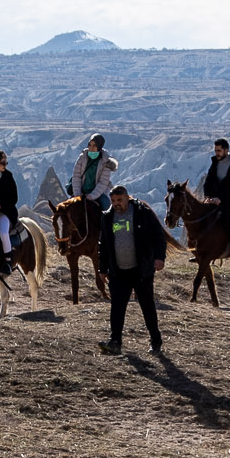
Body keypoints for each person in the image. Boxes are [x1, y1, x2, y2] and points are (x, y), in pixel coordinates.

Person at [98, 183, 166, 354]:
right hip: (118, 271)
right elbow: (104, 245)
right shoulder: (107, 217)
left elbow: (159, 235)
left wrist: (159, 257)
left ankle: (155, 341)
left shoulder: (143, 213)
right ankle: (115, 342)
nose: (116, 204)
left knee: (147, 305)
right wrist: (103, 268)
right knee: (117, 307)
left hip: (141, 270)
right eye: (113, 201)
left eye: (119, 200)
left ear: (128, 198)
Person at [202, 138, 230, 252]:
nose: (216, 153)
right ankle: (200, 248)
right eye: (215, 150)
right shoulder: (215, 162)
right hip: (213, 199)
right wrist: (208, 196)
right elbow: (208, 181)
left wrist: (220, 198)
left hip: (229, 200)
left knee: (227, 218)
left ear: (226, 150)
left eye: (219, 150)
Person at [75, 134, 117, 211]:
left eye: (94, 146)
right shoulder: (82, 158)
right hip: (82, 191)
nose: (91, 148)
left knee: (105, 207)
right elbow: (76, 176)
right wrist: (77, 194)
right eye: (90, 145)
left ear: (99, 147)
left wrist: (92, 196)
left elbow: (103, 182)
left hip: (98, 193)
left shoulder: (105, 161)